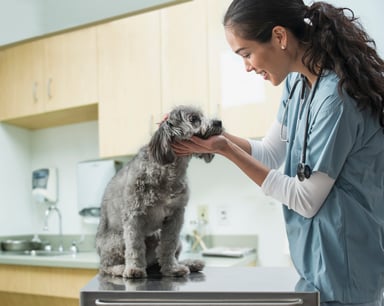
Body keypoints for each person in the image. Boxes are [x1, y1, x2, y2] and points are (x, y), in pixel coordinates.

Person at [171, 0, 384, 305]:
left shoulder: (337, 98)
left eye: (247, 54)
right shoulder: (297, 84)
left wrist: (226, 150)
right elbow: (270, 152)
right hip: (315, 269)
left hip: (348, 272)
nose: (246, 66)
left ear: (280, 37)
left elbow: (306, 199)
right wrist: (208, 135)